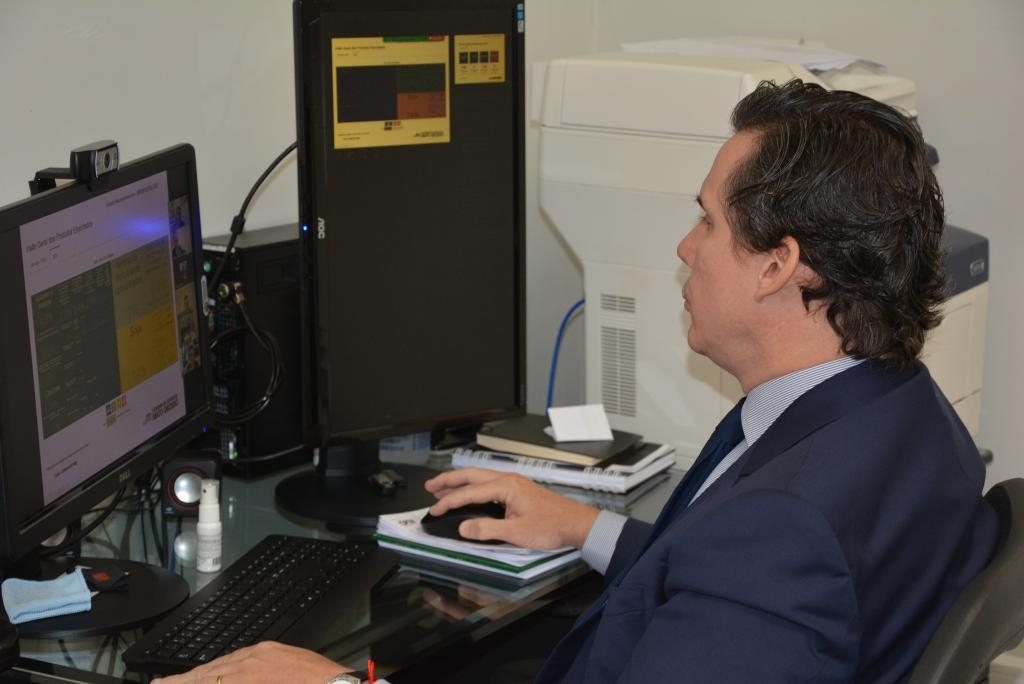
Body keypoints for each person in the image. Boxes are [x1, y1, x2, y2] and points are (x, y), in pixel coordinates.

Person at [154, 79, 998, 684]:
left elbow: (757, 573)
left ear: (780, 265)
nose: (685, 248)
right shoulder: (908, 415)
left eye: (707, 221)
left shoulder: (785, 529)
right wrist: (588, 529)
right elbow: (727, 590)